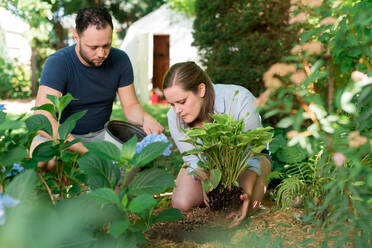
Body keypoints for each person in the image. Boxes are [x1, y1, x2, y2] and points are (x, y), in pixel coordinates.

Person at [30, 6, 164, 170]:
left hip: (102, 135)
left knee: (137, 159)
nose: (101, 53)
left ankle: (115, 194)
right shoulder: (58, 63)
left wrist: (145, 118)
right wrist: (85, 151)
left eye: (107, 45)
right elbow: (43, 120)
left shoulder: (120, 60)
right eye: (93, 47)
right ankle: (59, 193)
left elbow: (130, 107)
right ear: (76, 38)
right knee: (40, 159)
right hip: (63, 136)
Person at [162, 61, 272, 227]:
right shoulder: (174, 115)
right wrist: (208, 184)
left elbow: (252, 154)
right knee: (182, 203)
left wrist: (245, 192)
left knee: (246, 205)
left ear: (201, 89)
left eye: (182, 102)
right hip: (207, 166)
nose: (177, 110)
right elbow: (192, 160)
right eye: (172, 104)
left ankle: (265, 177)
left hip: (246, 162)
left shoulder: (240, 98)